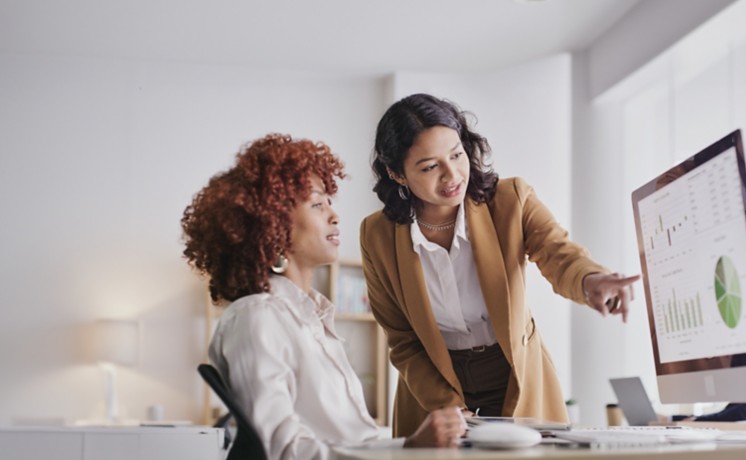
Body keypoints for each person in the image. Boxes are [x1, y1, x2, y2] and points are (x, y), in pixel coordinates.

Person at [360, 93, 641, 437]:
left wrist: (590, 279)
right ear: (397, 174)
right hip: (433, 384)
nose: (452, 175)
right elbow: (402, 339)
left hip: (514, 376)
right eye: (430, 166)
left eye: (457, 154)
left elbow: (558, 253)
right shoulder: (377, 235)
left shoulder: (511, 199)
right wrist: (444, 404)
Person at [181, 133, 467, 459]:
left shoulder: (308, 316)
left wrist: (411, 446)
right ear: (271, 225)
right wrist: (410, 447)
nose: (335, 216)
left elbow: (353, 442)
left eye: (329, 202)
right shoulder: (257, 317)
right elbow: (281, 450)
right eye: (317, 204)